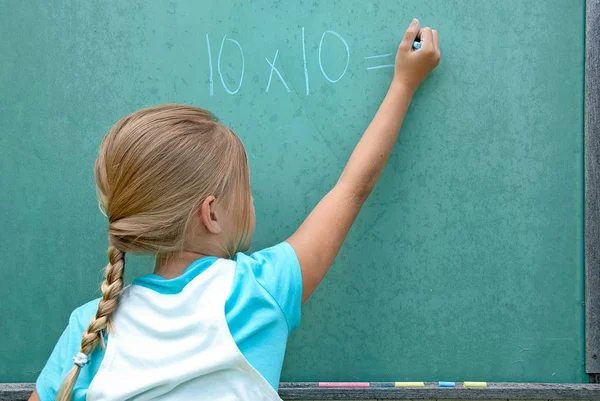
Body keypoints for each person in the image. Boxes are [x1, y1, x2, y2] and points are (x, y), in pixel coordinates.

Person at [31, 18, 440, 401]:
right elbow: (352, 190)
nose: (252, 199)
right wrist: (404, 84)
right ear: (211, 214)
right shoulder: (256, 291)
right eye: (246, 191)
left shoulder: (89, 329)